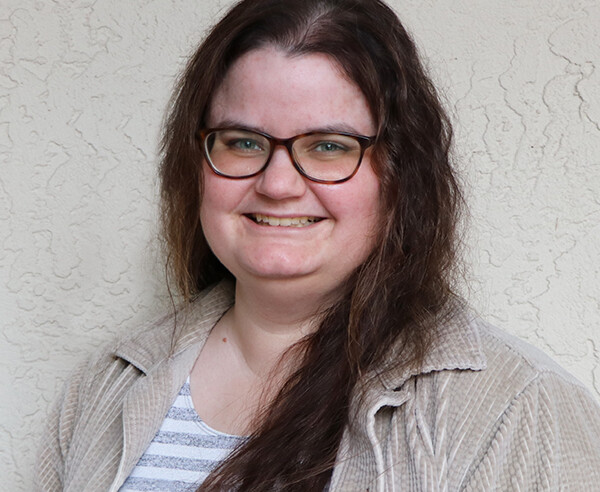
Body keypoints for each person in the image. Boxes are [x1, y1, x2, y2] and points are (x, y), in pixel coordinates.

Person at [35, 0, 600, 490]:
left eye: (329, 146)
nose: (277, 184)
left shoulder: (519, 411)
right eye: (243, 142)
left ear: (401, 176)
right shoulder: (105, 389)